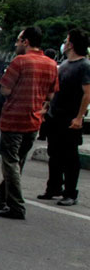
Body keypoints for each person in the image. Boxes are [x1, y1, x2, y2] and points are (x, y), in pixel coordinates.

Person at [0, 26, 59, 219]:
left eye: (18, 40)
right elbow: (51, 94)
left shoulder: (19, 62)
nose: (16, 44)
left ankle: (16, 206)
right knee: (17, 162)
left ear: (26, 42)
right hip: (34, 121)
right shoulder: (51, 64)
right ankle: (0, 198)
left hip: (13, 119)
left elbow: (4, 90)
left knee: (11, 162)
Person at [37, 28, 90, 207]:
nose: (64, 43)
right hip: (55, 116)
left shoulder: (84, 66)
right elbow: (55, 90)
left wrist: (79, 117)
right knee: (55, 154)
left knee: (70, 157)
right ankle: (53, 188)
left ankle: (70, 192)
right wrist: (46, 107)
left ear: (72, 44)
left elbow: (87, 94)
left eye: (67, 40)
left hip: (70, 118)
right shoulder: (65, 64)